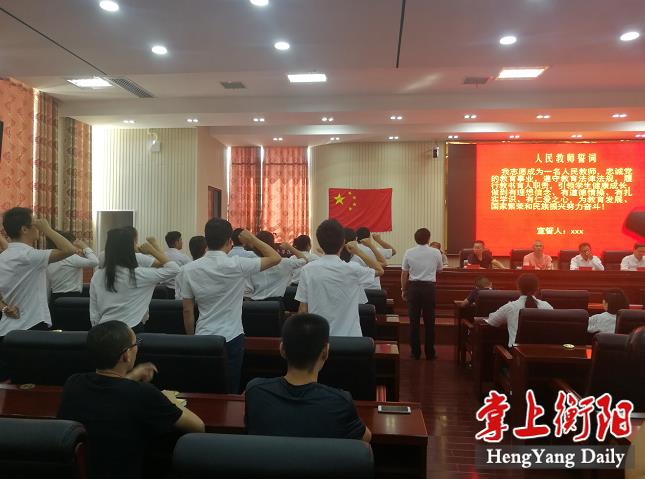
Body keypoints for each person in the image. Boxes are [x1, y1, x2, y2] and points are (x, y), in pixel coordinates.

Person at [57, 321, 204, 479]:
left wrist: (132, 376)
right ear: (126, 354)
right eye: (136, 344)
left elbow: (110, 390)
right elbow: (198, 427)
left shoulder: (73, 383)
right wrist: (170, 400)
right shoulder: (143, 393)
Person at [178, 219, 281, 393]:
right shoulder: (237, 264)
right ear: (229, 241)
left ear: (206, 240)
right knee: (230, 389)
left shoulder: (189, 269)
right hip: (232, 336)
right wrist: (252, 239)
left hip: (203, 335)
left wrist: (192, 338)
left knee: (203, 389)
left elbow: (187, 310)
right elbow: (275, 258)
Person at [245, 313, 371, 442]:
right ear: (325, 351)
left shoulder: (255, 391)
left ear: (282, 349)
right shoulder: (340, 402)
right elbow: (365, 439)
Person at [295, 219, 384, 337]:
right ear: (343, 242)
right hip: (350, 339)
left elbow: (303, 310)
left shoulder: (308, 270)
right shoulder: (353, 269)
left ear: (319, 243)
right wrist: (358, 251)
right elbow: (380, 270)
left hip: (319, 338)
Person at [0, 208, 76, 337]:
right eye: (34, 223)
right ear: (24, 229)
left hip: (7, 330)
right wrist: (47, 229)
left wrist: (4, 308)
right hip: (31, 326)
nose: (38, 228)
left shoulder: (3, 256)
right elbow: (69, 250)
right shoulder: (30, 256)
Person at [90, 229, 179, 333]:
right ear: (130, 247)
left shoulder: (97, 275)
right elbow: (174, 269)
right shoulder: (139, 275)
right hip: (131, 330)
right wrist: (152, 250)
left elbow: (94, 312)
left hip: (103, 329)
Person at [401, 228, 444, 360]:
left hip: (413, 288)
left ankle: (415, 353)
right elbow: (440, 269)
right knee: (429, 321)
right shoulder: (436, 252)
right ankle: (430, 353)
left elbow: (404, 273)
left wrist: (403, 289)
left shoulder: (409, 252)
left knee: (413, 321)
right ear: (428, 238)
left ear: (415, 239)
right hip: (429, 288)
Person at [486, 273, 553, 347]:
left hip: (517, 352)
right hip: (542, 351)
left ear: (518, 288)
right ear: (537, 288)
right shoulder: (547, 306)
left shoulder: (510, 307)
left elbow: (492, 321)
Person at [248, 231, 307, 302]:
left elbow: (247, 291)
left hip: (254, 304)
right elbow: (304, 260)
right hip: (277, 304)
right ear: (272, 245)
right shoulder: (284, 262)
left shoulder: (250, 264)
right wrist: (290, 248)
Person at [46, 231, 99, 301]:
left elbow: (47, 285)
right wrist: (85, 247)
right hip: (72, 299)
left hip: (55, 298)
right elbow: (95, 262)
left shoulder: (50, 258)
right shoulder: (71, 257)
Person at [162, 231, 192, 296]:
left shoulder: (162, 256)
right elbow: (191, 272)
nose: (182, 242)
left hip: (163, 291)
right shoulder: (183, 257)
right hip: (177, 292)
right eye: (181, 240)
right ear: (176, 242)